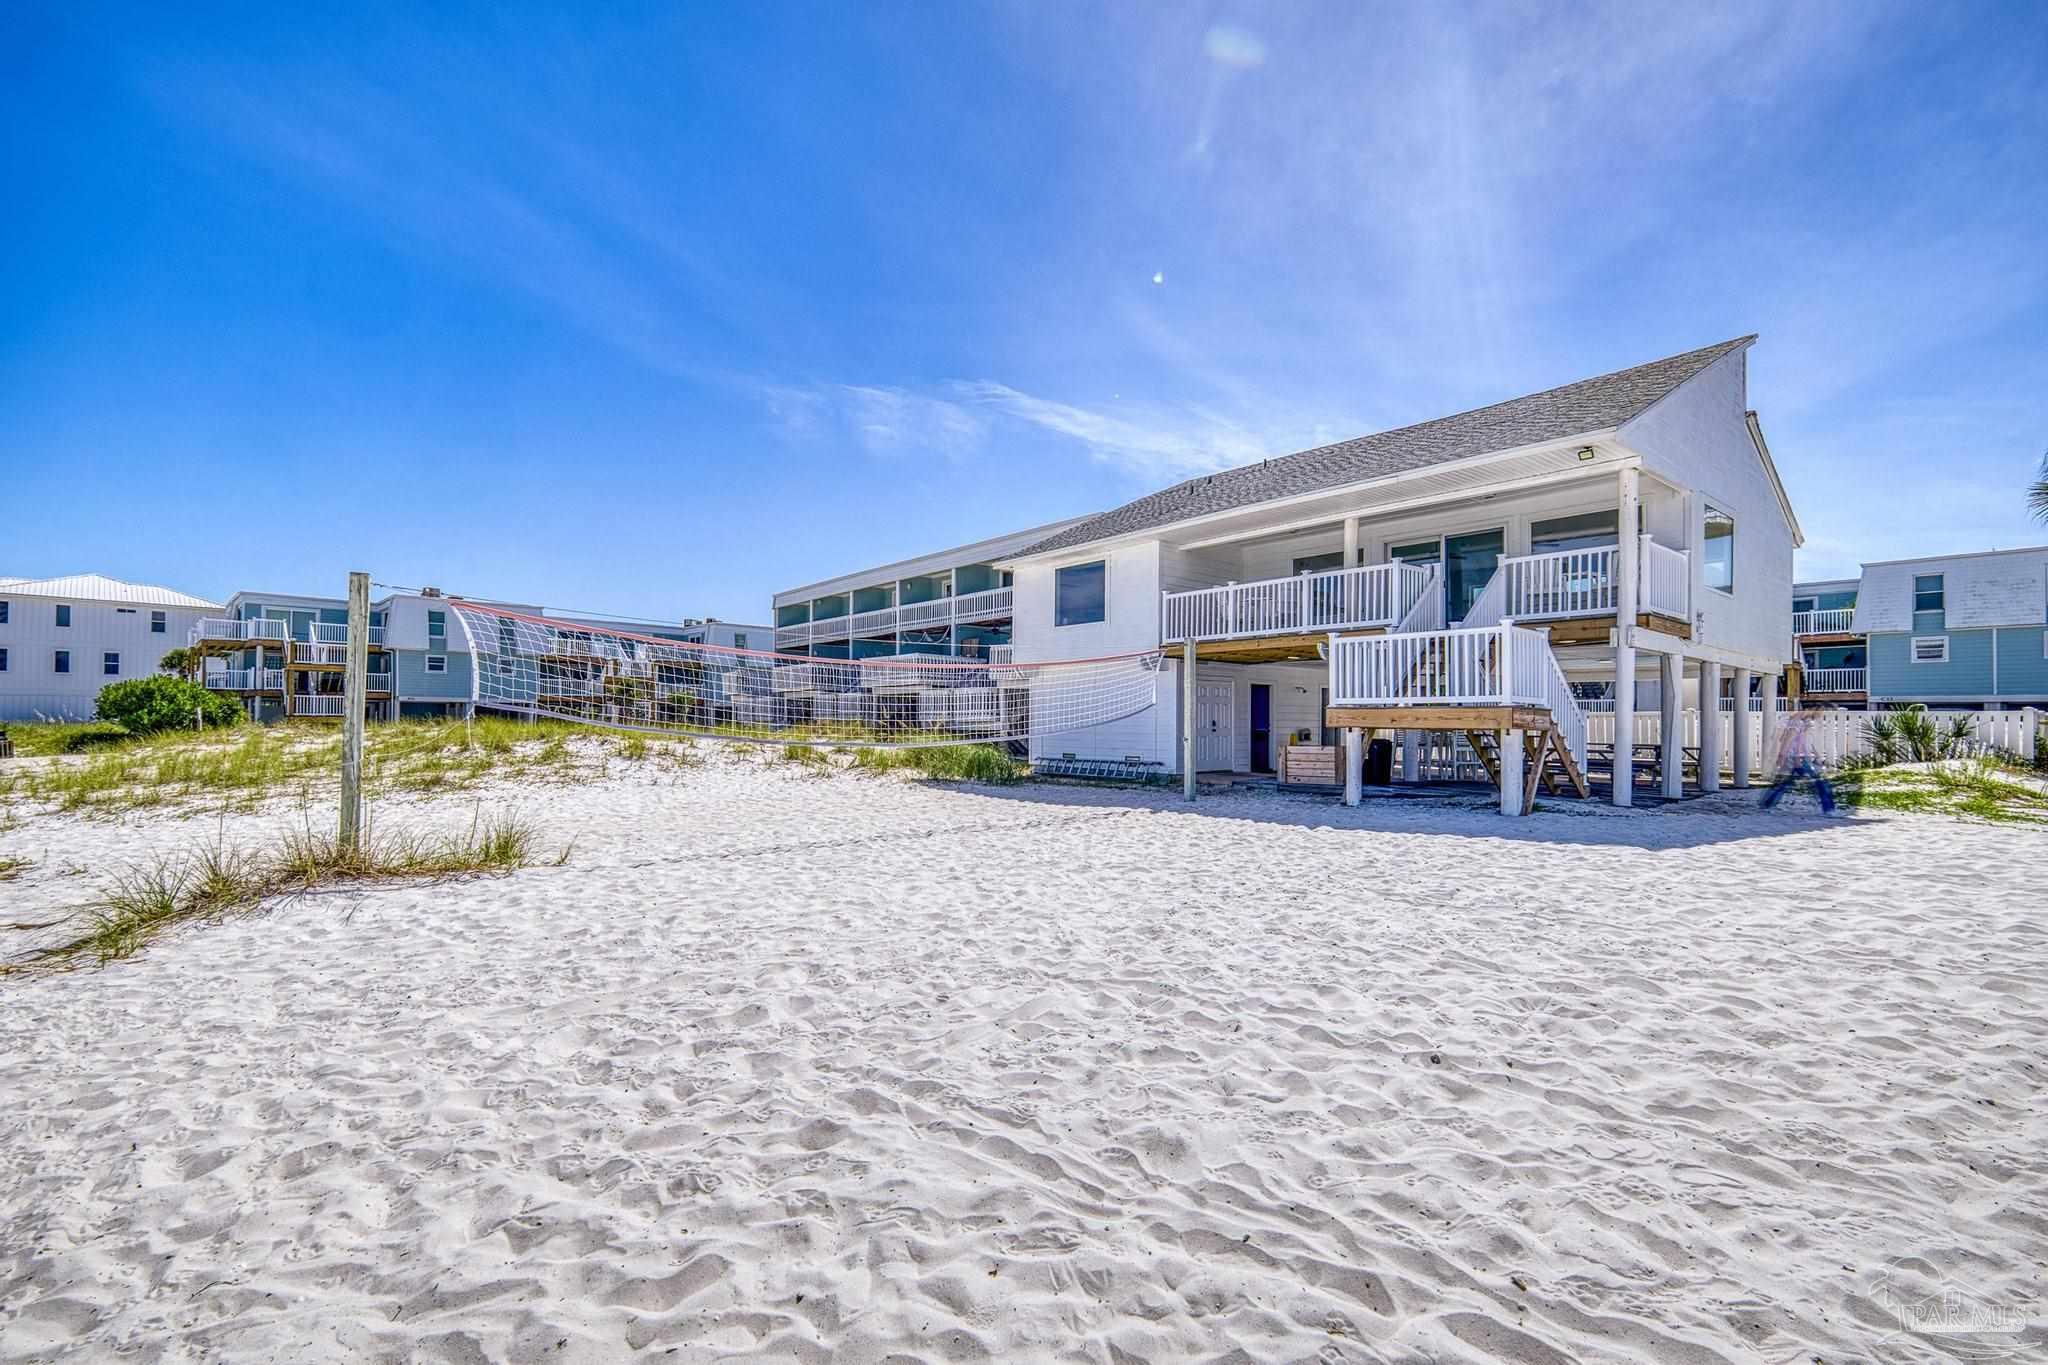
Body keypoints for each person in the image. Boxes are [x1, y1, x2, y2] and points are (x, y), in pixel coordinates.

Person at [1761, 708, 1836, 814]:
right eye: (1820, 712)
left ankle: (1767, 804)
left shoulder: (1803, 721)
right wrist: (1782, 757)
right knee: (1820, 782)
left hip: (1799, 758)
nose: (1820, 715)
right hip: (1796, 759)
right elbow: (1786, 741)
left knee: (1783, 783)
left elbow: (1805, 742)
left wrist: (1817, 755)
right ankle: (1829, 809)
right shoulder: (1796, 722)